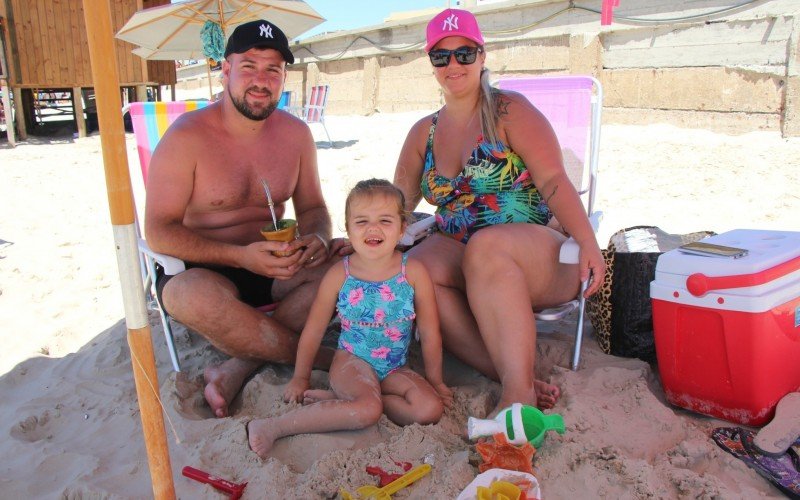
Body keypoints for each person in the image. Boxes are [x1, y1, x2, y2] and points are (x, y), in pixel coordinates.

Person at [393, 9, 606, 415]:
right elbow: (397, 205)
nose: (453, 64)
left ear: (481, 56)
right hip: (462, 249)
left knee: (488, 246)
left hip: (536, 255)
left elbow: (553, 181)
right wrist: (357, 239)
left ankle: (517, 395)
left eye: (464, 53)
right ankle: (509, 373)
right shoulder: (425, 132)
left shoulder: (509, 111)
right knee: (414, 273)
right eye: (441, 57)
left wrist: (588, 241)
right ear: (432, 64)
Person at [145, 19, 341, 418]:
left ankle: (240, 363)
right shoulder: (186, 138)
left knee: (353, 266)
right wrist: (241, 257)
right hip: (205, 267)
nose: (261, 79)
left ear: (284, 76)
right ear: (225, 70)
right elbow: (158, 231)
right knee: (188, 296)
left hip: (278, 266)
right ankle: (324, 359)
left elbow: (314, 210)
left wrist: (318, 240)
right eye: (249, 65)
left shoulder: (296, 135)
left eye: (273, 69)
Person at [247, 179, 453, 458]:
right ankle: (273, 426)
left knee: (429, 409)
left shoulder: (413, 272)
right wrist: (300, 377)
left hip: (393, 366)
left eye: (384, 220)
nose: (373, 228)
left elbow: (430, 332)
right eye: (362, 221)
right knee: (368, 410)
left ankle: (342, 402)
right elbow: (313, 330)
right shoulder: (340, 275)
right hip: (351, 362)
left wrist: (437, 381)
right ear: (348, 227)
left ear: (403, 228)